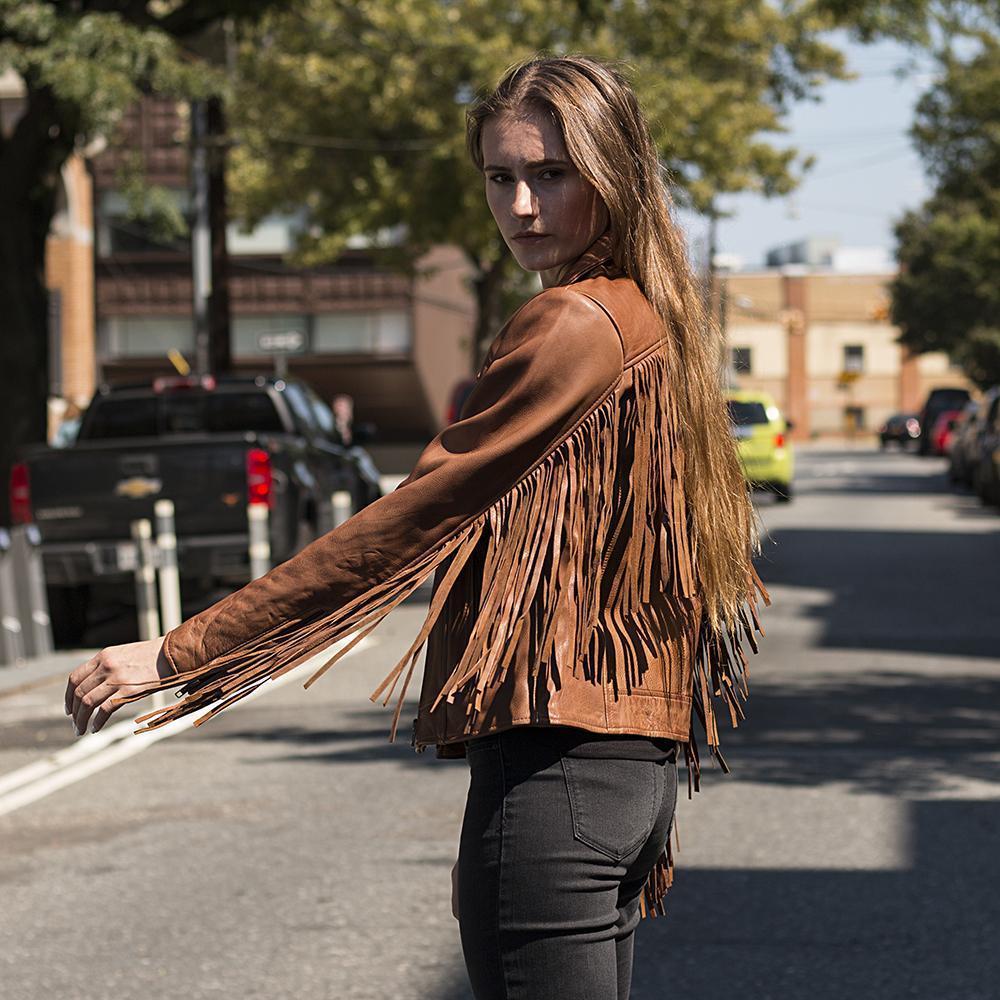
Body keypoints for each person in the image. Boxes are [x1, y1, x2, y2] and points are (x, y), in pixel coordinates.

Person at [65, 55, 769, 1000]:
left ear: (615, 171)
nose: (521, 205)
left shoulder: (572, 325)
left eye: (551, 174)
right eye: (500, 176)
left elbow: (408, 521)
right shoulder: (654, 323)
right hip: (626, 769)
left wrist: (185, 651)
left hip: (555, 772)